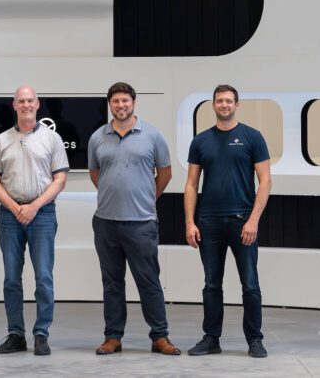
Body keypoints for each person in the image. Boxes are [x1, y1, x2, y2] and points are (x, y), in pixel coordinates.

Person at [88, 82, 181, 356]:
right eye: (116, 101)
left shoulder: (152, 135)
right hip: (106, 222)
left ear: (133, 103)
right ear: (110, 104)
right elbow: (96, 173)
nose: (121, 106)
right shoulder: (97, 137)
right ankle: (113, 337)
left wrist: (148, 197)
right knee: (112, 283)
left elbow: (165, 172)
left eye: (125, 101)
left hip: (141, 223)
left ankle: (160, 336)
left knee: (149, 281)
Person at [184, 84, 272, 359]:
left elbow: (265, 181)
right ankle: (211, 339)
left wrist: (253, 220)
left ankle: (255, 340)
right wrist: (190, 222)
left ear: (237, 104)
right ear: (213, 105)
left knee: (250, 285)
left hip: (242, 221)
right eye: (219, 101)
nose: (224, 105)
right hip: (208, 222)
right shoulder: (200, 141)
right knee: (211, 284)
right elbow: (191, 184)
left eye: (228, 101)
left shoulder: (252, 137)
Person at [0, 85, 69, 356]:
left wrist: (33, 207)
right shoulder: (1, 140)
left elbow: (60, 179)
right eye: (21, 101)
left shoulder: (52, 139)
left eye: (30, 100)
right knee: (11, 278)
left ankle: (41, 334)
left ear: (37, 104)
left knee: (43, 277)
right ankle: (16, 334)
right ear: (14, 105)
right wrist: (15, 208)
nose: (26, 105)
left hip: (42, 214)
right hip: (10, 215)